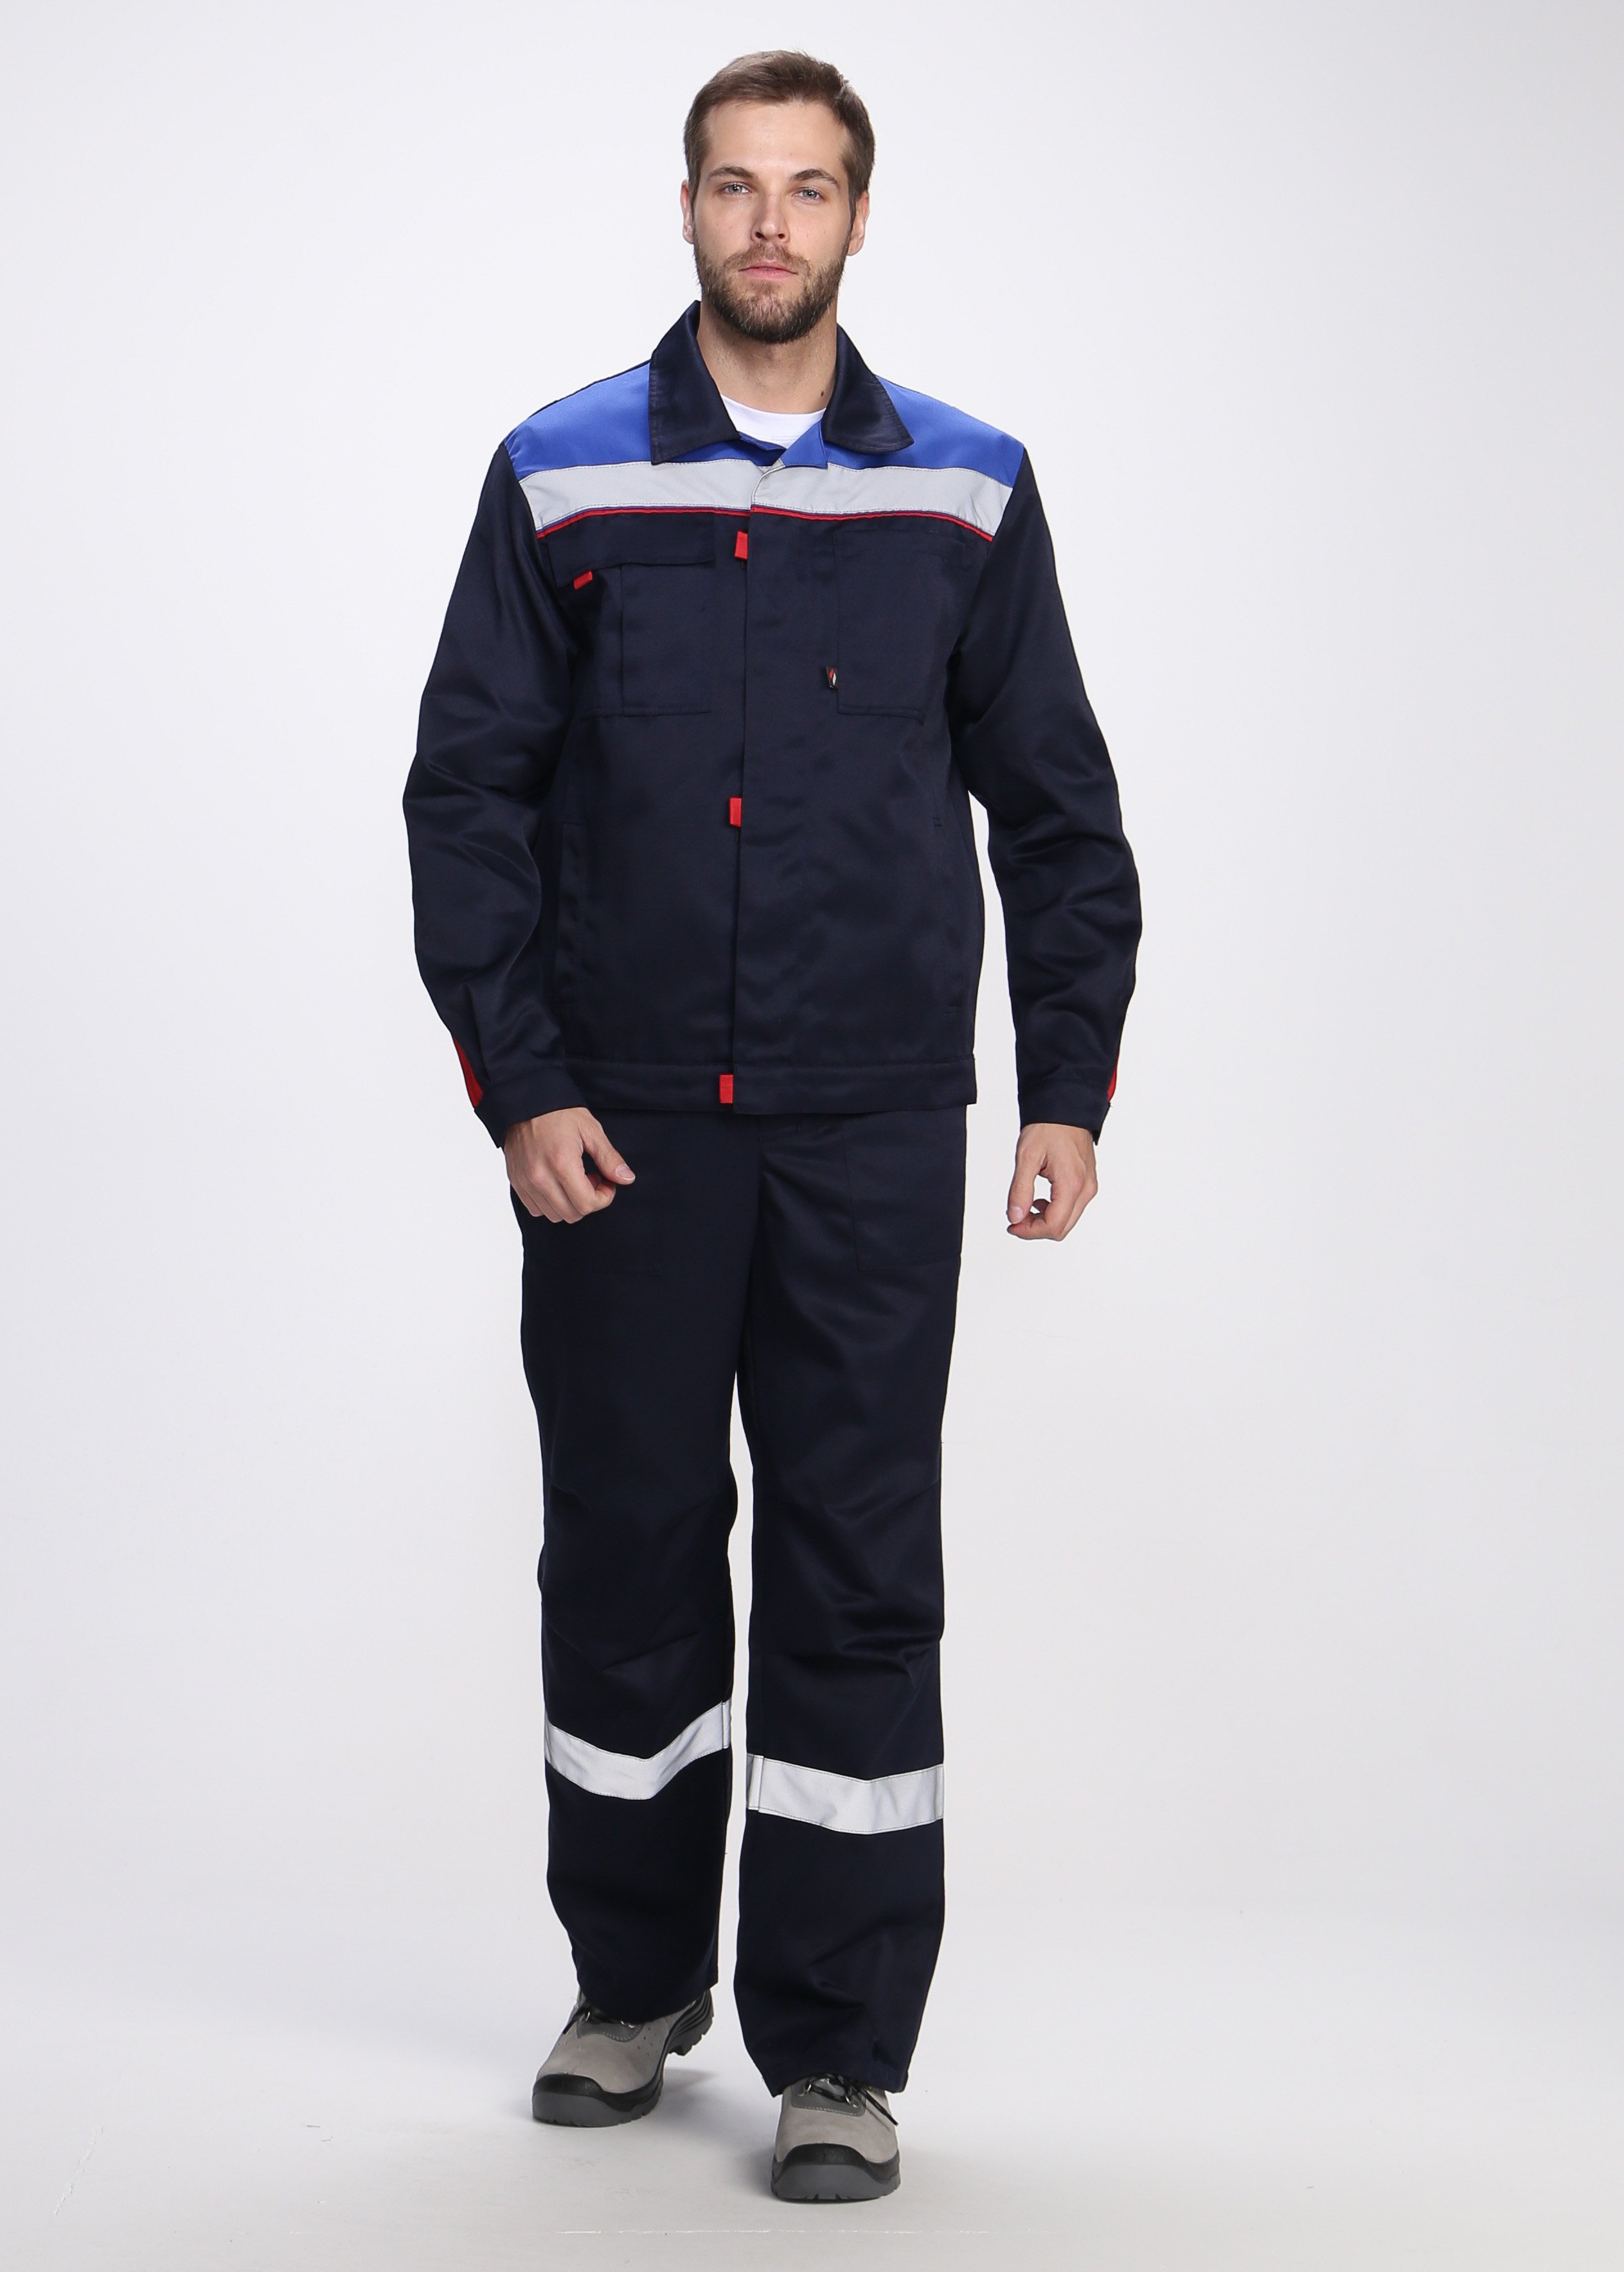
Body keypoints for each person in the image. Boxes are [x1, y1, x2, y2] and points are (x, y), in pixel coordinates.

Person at [403, 49, 1140, 2204]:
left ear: (856, 218)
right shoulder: (559, 472)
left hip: (871, 1124)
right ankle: (631, 1989)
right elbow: (468, 797)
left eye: (806, 190)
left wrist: (1068, 1087)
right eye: (734, 186)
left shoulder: (967, 489)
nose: (766, 225)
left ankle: (836, 2052)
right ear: (687, 207)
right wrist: (523, 1082)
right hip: (620, 1133)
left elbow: (1059, 814)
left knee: (854, 1571)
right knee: (627, 1555)